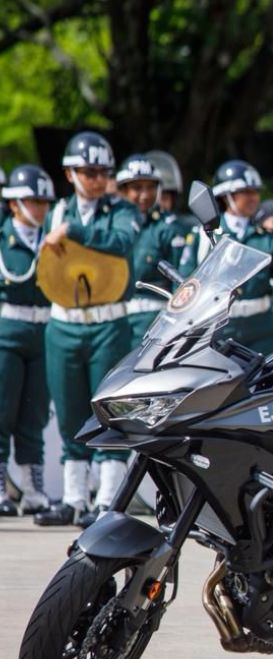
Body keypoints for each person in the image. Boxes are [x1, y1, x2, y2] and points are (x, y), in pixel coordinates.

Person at [34, 132, 139, 527]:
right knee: (69, 413)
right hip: (64, 324)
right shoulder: (57, 211)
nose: (96, 179)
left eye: (102, 172)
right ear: (70, 173)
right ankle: (74, 498)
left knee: (108, 410)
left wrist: (76, 234)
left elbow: (123, 242)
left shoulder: (120, 210)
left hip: (108, 323)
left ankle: (108, 499)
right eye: (87, 171)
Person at [193, 159, 273, 355]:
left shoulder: (267, 238)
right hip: (219, 328)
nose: (254, 198)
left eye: (255, 192)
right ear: (226, 195)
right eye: (246, 192)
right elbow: (188, 281)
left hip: (261, 329)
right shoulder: (206, 235)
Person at [0, 165, 55, 517]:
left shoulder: (53, 237)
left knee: (34, 414)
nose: (40, 208)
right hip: (7, 331)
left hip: (43, 332)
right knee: (2, 410)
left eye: (43, 202)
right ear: (15, 204)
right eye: (33, 201)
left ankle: (33, 487)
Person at [117, 154, 187, 345]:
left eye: (151, 187)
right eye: (137, 188)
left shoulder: (167, 228)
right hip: (111, 321)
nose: (145, 194)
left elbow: (181, 282)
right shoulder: (109, 224)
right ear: (122, 191)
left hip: (152, 321)